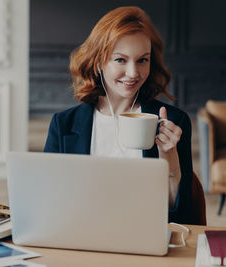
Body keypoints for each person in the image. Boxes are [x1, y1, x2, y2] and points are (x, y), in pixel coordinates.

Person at [44, 6, 194, 224]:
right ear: (98, 62)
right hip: (82, 235)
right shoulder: (63, 124)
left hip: (146, 238)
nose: (133, 73)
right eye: (121, 60)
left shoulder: (174, 122)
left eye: (143, 60)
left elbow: (182, 217)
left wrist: (170, 161)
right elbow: (48, 202)